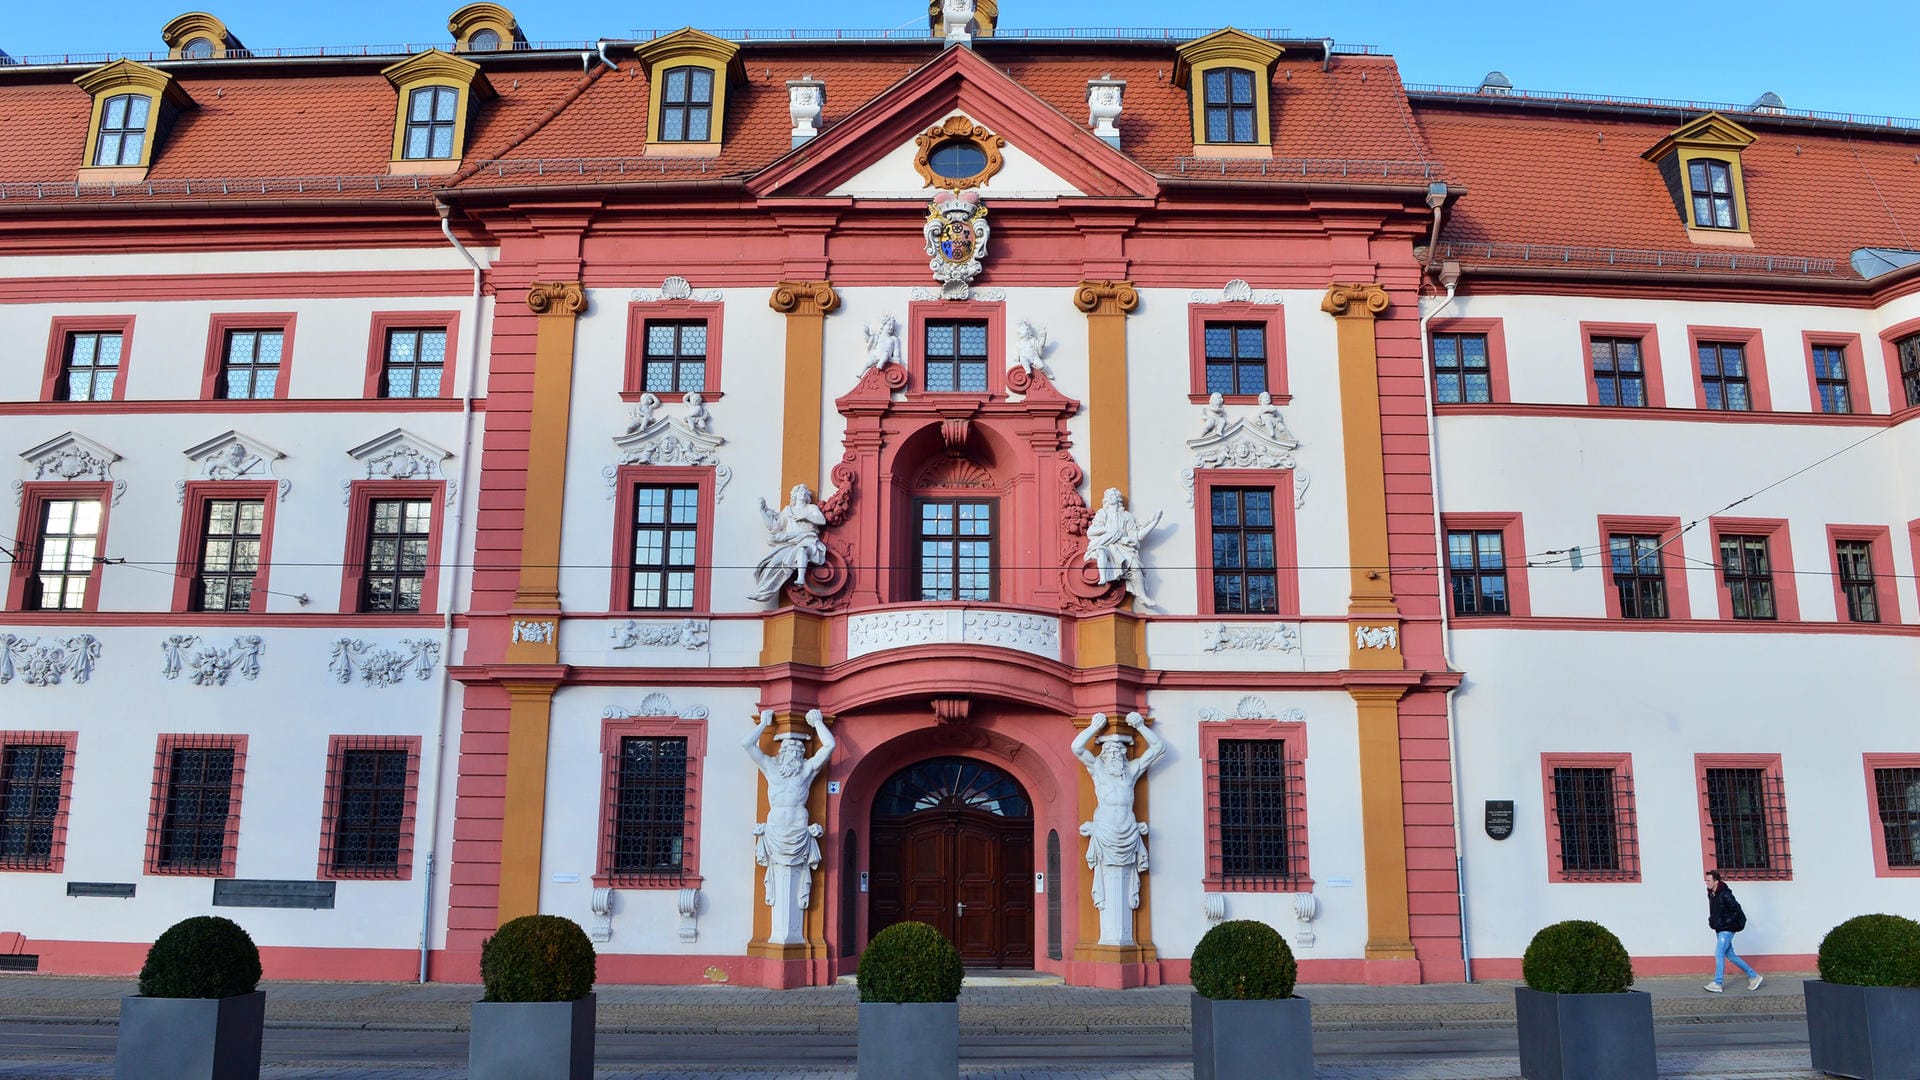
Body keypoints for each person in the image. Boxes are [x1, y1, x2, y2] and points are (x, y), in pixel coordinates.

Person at [750, 484, 828, 602]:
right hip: (790, 542)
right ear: (794, 495)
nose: (803, 493)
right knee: (774, 563)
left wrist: (805, 516)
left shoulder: (811, 508)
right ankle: (762, 592)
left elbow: (821, 520)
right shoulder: (788, 510)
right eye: (800, 491)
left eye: (805, 492)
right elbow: (774, 527)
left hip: (807, 538)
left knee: (802, 550)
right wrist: (763, 511)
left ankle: (800, 578)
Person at [1704, 870, 1763, 992]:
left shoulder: (1725, 894)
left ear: (1716, 881)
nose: (1706, 883)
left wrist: (1726, 923)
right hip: (1720, 928)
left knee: (1719, 953)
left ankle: (1717, 982)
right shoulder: (1712, 894)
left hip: (1727, 929)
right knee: (1730, 955)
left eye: (1709, 880)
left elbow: (1736, 910)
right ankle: (1754, 976)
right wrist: (1713, 921)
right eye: (1706, 880)